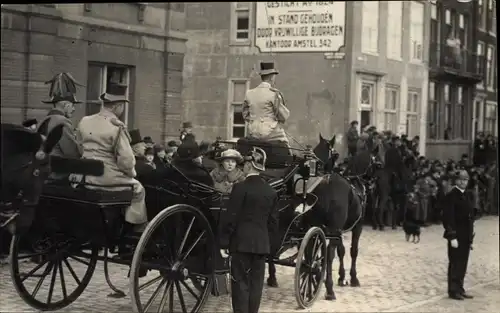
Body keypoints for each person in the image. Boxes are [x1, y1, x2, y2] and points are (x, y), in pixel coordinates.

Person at [75, 84, 148, 232]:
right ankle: (133, 231)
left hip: (85, 177)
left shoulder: (85, 121)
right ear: (117, 106)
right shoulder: (116, 126)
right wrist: (132, 174)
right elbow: (127, 161)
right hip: (107, 179)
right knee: (138, 189)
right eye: (122, 106)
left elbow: (79, 147)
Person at [219, 147, 279, 313]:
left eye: (245, 163)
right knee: (256, 286)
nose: (243, 166)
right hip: (261, 246)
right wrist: (270, 247)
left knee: (240, 285)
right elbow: (273, 224)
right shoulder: (271, 191)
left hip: (241, 244)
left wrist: (223, 243)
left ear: (249, 166)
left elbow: (231, 218)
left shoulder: (240, 188)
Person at [442, 170, 476, 300]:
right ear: (456, 180)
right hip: (456, 234)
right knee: (455, 262)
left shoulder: (466, 195)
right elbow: (448, 218)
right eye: (461, 179)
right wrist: (452, 236)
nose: (463, 182)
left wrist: (470, 237)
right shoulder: (451, 196)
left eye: (465, 180)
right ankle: (453, 290)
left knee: (463, 263)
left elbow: (470, 216)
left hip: (465, 235)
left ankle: (460, 288)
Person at [243, 61, 290, 145]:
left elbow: (245, 115)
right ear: (272, 77)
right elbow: (284, 116)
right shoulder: (273, 93)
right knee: (285, 144)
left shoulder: (249, 93)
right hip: (271, 133)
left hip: (253, 132)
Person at [38, 73, 83, 160]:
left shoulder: (44, 120)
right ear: (66, 105)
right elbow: (72, 153)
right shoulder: (62, 121)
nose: (73, 109)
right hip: (57, 169)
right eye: (72, 105)